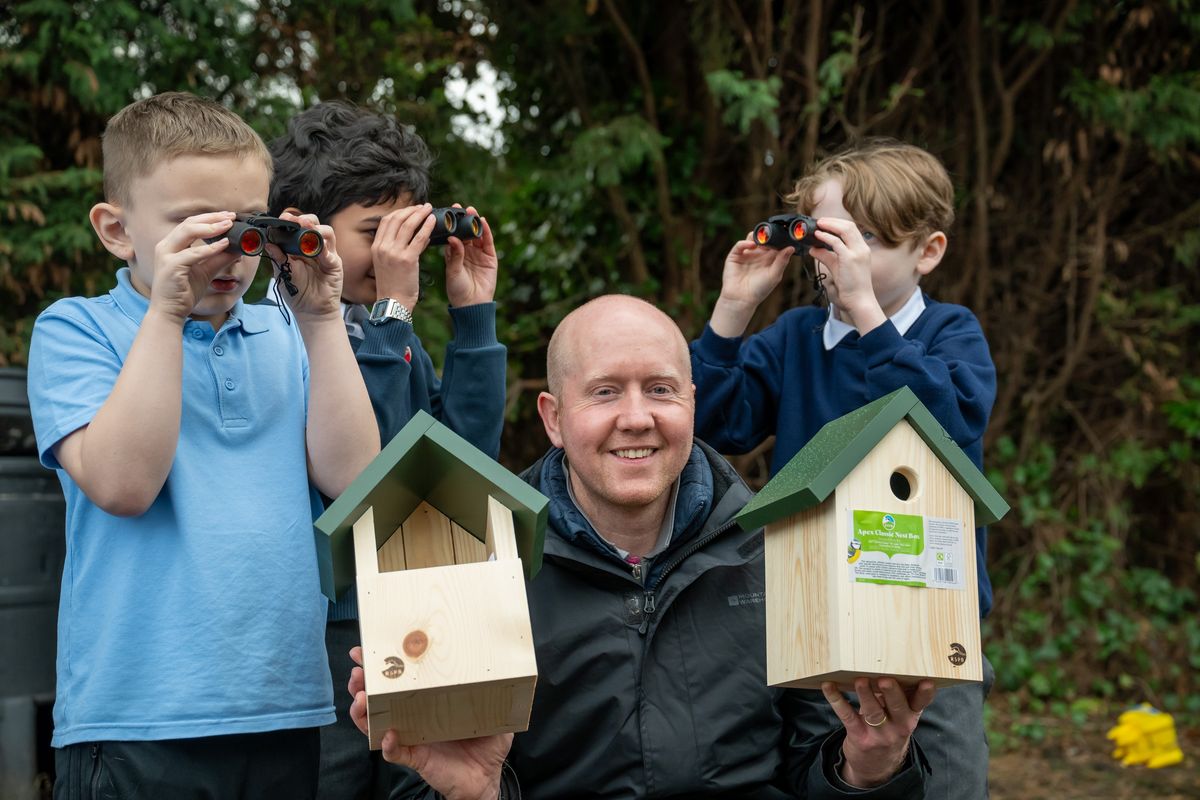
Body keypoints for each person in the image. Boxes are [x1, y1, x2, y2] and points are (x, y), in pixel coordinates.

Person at [348, 295, 936, 799]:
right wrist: (479, 793)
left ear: (693, 403)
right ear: (553, 418)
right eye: (604, 392)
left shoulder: (776, 549)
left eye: (660, 389)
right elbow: (428, 778)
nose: (637, 418)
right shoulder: (475, 562)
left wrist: (868, 769)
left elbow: (815, 761)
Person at [26, 92, 380, 799]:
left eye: (246, 224)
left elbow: (355, 478)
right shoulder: (77, 331)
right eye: (192, 225)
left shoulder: (288, 335)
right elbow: (124, 486)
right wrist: (168, 312)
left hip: (281, 709)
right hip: (137, 718)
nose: (226, 252)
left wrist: (319, 317)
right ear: (117, 230)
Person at [690, 139, 998, 799]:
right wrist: (733, 310)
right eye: (828, 242)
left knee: (944, 778)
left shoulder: (950, 333)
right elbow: (712, 423)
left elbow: (943, 421)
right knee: (821, 775)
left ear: (928, 251)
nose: (841, 261)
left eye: (867, 244)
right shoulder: (796, 338)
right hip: (815, 623)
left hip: (929, 628)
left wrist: (867, 316)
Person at [268, 100, 507, 800]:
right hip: (323, 634)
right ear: (299, 231)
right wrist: (393, 313)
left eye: (406, 231)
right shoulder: (271, 339)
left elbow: (461, 465)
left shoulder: (390, 339)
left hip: (413, 610)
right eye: (373, 232)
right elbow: (358, 473)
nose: (394, 253)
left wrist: (472, 314)